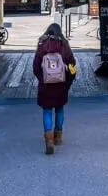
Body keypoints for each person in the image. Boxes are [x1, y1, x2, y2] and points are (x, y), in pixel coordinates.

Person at [32, 22, 76, 155]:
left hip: (46, 85)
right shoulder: (64, 44)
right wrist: (68, 80)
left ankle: (49, 141)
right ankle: (58, 137)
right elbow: (72, 63)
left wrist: (43, 78)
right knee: (59, 109)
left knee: (47, 111)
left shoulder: (41, 44)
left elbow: (35, 67)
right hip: (60, 84)